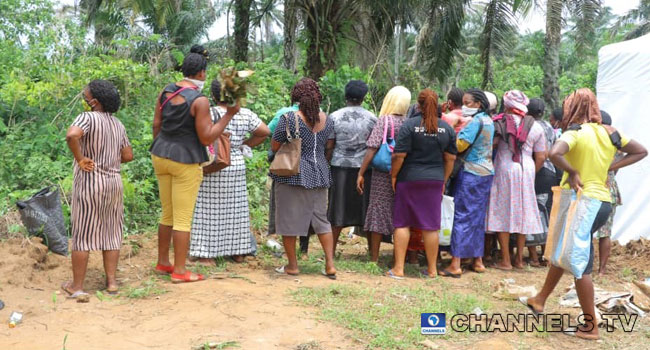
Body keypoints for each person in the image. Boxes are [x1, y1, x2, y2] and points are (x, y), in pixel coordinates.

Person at [521, 88, 647, 340]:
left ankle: (590, 326)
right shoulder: (609, 132)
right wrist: (612, 165)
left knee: (580, 266)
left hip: (583, 202)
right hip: (601, 201)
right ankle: (540, 299)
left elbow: (554, 154)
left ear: (574, 108)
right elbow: (641, 150)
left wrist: (573, 171)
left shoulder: (575, 132)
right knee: (562, 250)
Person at [150, 46, 239, 283]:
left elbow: (156, 125)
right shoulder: (199, 101)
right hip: (185, 160)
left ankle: (163, 263)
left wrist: (162, 146)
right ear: (201, 73)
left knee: (167, 213)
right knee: (182, 218)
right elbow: (207, 137)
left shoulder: (166, 91)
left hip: (160, 155)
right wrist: (230, 114)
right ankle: (180, 271)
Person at [63, 79, 133, 298]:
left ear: (94, 101)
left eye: (86, 96)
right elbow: (128, 156)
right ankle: (111, 283)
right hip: (114, 184)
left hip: (89, 183)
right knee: (112, 233)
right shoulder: (117, 124)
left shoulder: (87, 118)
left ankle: (77, 287)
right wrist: (109, 159)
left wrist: (81, 158)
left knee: (83, 234)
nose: (84, 99)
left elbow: (72, 135)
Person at [190, 80, 270, 265]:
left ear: (214, 95)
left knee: (208, 210)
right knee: (235, 210)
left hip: (213, 163)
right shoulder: (245, 114)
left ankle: (206, 255)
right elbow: (264, 131)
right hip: (235, 163)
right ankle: (238, 252)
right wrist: (243, 145)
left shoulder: (209, 113)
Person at [387, 89, 457, 279]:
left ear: (418, 105)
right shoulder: (447, 128)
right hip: (434, 180)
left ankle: (399, 269)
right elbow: (450, 158)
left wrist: (394, 176)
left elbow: (399, 155)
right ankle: (432, 270)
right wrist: (443, 179)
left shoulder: (409, 126)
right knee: (430, 226)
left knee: (402, 223)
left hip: (409, 179)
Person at [270, 78, 336, 278]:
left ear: (296, 95)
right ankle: (330, 265)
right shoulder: (327, 119)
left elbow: (275, 146)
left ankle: (292, 265)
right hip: (320, 173)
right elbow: (330, 146)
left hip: (293, 174)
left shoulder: (289, 119)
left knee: (289, 221)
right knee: (322, 221)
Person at [486, 90, 546, 270]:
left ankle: (505, 260)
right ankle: (519, 259)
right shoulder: (535, 126)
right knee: (523, 212)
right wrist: (531, 173)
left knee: (502, 210)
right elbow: (542, 156)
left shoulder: (500, 122)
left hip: (505, 166)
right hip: (527, 167)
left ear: (507, 105)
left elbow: (492, 145)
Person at [440, 89, 494, 278]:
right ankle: (477, 260)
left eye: (468, 103)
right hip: (486, 172)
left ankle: (455, 263)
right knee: (477, 217)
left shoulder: (475, 122)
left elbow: (460, 145)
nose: (464, 107)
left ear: (479, 104)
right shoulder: (489, 121)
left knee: (462, 216)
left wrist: (451, 134)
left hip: (471, 172)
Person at [357, 86, 412, 262]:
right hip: (403, 173)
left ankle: (374, 257)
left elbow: (372, 148)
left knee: (378, 211)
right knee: (401, 214)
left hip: (382, 174)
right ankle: (401, 257)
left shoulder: (384, 121)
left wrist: (361, 172)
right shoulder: (409, 123)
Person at [267, 80, 319, 256]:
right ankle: (304, 249)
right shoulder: (321, 116)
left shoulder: (285, 114)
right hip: (313, 169)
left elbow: (271, 135)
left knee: (286, 208)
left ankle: (289, 252)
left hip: (287, 169)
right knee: (308, 207)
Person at [328, 80, 376, 254]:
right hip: (364, 170)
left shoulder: (334, 117)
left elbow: (330, 144)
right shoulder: (372, 118)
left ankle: (330, 252)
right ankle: (372, 252)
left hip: (339, 167)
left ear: (345, 96)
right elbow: (374, 146)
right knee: (366, 209)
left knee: (337, 210)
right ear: (364, 97)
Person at [594, 110, 624, 276]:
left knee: (585, 230)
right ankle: (602, 270)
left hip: (592, 187)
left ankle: (585, 265)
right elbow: (617, 167)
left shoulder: (594, 139)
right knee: (605, 233)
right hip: (610, 188)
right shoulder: (616, 141)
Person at [529, 98, 556, 267]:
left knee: (534, 211)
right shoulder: (549, 127)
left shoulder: (531, 126)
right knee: (546, 212)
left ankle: (534, 257)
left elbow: (538, 154)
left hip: (537, 170)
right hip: (551, 172)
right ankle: (546, 254)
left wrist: (532, 173)